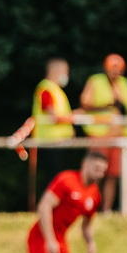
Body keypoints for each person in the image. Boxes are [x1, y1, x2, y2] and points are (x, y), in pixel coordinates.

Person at [79, 54, 127, 212]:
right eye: (112, 69)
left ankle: (107, 210)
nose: (116, 72)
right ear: (106, 68)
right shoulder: (95, 81)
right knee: (94, 173)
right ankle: (88, 206)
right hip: (99, 135)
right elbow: (85, 103)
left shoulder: (124, 83)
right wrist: (107, 106)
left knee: (113, 174)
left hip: (119, 136)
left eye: (119, 69)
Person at [32, 58, 76, 186]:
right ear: (56, 70)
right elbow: (53, 116)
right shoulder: (47, 89)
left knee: (55, 175)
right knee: (53, 176)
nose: (67, 74)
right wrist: (74, 117)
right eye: (65, 71)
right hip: (50, 140)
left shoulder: (55, 90)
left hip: (57, 140)